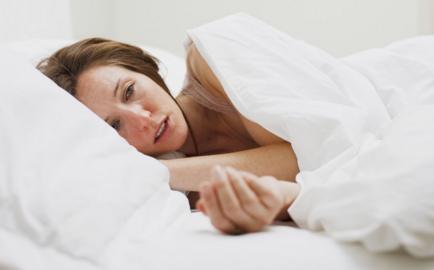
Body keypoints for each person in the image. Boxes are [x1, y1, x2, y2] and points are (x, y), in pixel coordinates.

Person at [37, 37, 301, 234]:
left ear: (146, 71)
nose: (143, 119)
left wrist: (156, 169)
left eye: (129, 91)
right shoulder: (186, 195)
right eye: (115, 126)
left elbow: (304, 154)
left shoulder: (211, 69)